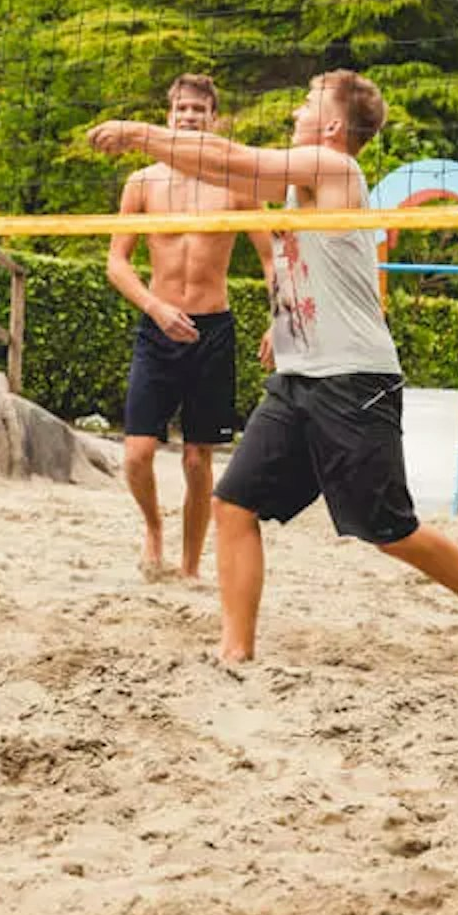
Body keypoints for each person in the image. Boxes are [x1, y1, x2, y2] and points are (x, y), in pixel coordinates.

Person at [88, 70, 458, 664]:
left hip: (353, 380)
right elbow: (228, 178)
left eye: (307, 99)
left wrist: (138, 132)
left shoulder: (336, 171)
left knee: (390, 530)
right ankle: (235, 655)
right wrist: (282, 317)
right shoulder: (299, 184)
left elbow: (225, 155)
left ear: (330, 125)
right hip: (298, 379)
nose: (296, 106)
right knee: (233, 503)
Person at [104, 74, 276, 581]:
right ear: (168, 116)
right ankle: (154, 528)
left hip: (212, 331)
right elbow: (117, 263)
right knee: (137, 454)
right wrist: (155, 308)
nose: (189, 118)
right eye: (181, 110)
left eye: (199, 111)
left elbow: (272, 260)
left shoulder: (237, 186)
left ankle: (190, 566)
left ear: (213, 119)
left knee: (199, 460)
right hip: (158, 330)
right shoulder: (143, 183)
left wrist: (280, 318)